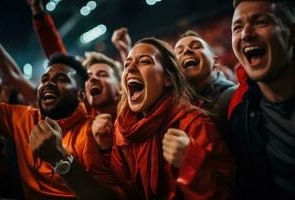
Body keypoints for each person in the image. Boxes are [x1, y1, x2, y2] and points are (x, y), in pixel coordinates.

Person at [110, 38, 234, 199]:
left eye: (145, 61)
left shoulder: (194, 123)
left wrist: (192, 163)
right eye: (127, 64)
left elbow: (225, 193)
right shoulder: (121, 129)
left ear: (167, 79)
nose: (131, 68)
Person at [0, 53, 122, 199]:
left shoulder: (94, 134)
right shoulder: (23, 118)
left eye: (61, 79)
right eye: (44, 79)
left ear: (81, 95)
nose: (48, 83)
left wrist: (59, 158)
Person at [228, 0, 295, 199]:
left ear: (292, 33)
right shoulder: (240, 121)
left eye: (261, 22)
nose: (246, 34)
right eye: (237, 28)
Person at [174, 30, 236, 112]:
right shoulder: (174, 110)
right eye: (179, 51)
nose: (186, 50)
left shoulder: (235, 97)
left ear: (215, 61)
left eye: (196, 46)